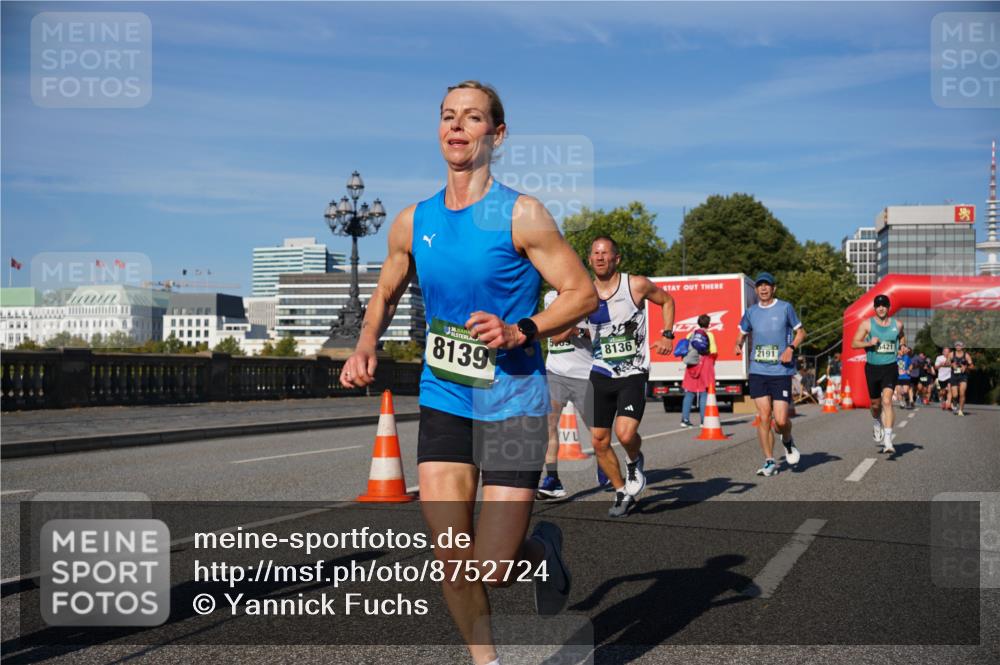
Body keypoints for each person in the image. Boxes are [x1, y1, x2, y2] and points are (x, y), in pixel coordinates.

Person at [339, 81, 598, 665]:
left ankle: (540, 551)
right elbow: (385, 291)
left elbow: (580, 293)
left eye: (472, 117)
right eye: (448, 116)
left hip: (514, 403)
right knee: (453, 559)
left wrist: (521, 330)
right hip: (446, 398)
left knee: (494, 567)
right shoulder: (413, 221)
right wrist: (365, 344)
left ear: (496, 134)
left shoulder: (522, 214)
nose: (457, 126)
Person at [586, 236, 675, 517]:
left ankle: (634, 460)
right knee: (599, 441)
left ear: (617, 258)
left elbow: (667, 301)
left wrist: (667, 334)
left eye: (605, 253)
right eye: (595, 253)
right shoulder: (583, 292)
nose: (600, 258)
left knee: (625, 434)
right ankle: (621, 491)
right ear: (589, 259)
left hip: (633, 371)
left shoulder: (635, 284)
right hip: (600, 372)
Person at [734, 272, 806, 477]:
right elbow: (741, 333)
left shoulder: (785, 308)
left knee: (781, 421)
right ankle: (769, 461)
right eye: (760, 286)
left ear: (774, 288)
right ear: (756, 290)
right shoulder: (751, 312)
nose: (763, 288)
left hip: (780, 371)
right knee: (764, 416)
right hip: (758, 370)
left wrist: (791, 348)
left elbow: (801, 332)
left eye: (767, 285)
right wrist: (738, 344)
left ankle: (788, 440)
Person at [536, 289, 595, 499]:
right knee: (548, 426)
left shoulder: (589, 295)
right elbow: (555, 335)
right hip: (555, 371)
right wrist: (571, 325)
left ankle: (608, 468)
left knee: (597, 431)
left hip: (584, 373)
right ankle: (552, 479)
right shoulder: (550, 297)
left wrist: (577, 331)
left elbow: (602, 335)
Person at [851, 293, 905, 454]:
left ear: (888, 307)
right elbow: (854, 343)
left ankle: (888, 440)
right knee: (875, 405)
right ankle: (876, 421)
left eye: (884, 305)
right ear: (875, 308)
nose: (881, 308)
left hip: (890, 367)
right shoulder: (867, 324)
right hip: (873, 368)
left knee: (887, 401)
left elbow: (902, 338)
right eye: (878, 306)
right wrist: (869, 343)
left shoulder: (898, 325)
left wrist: (902, 347)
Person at [680, 314, 717, 428]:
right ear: (708, 324)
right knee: (704, 392)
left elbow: (685, 349)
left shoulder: (690, 334)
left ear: (698, 323)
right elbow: (713, 351)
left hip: (692, 365)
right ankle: (703, 421)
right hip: (705, 364)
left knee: (689, 393)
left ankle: (685, 420)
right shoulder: (709, 335)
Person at [948, 341, 975, 416]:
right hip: (954, 376)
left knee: (962, 393)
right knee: (955, 395)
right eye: (957, 345)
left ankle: (960, 410)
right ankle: (954, 402)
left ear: (962, 346)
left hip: (963, 376)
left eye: (959, 345)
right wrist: (952, 364)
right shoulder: (951, 354)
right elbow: (946, 363)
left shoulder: (966, 355)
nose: (958, 347)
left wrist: (966, 367)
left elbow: (972, 366)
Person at [896, 345, 913, 409]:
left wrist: (909, 370)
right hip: (898, 377)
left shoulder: (906, 357)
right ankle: (901, 402)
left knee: (905, 391)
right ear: (899, 350)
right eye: (902, 349)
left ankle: (907, 400)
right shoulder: (895, 358)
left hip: (906, 376)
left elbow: (911, 365)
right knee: (899, 391)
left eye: (904, 348)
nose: (904, 350)